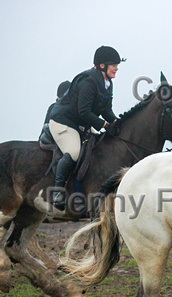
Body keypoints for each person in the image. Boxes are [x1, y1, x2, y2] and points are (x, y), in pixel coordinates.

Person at [47, 46, 125, 211]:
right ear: (102, 65)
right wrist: (104, 125)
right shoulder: (88, 82)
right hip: (63, 122)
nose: (117, 68)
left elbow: (106, 111)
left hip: (81, 124)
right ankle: (57, 192)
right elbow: (84, 112)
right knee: (74, 152)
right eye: (114, 64)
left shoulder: (107, 83)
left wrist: (116, 122)